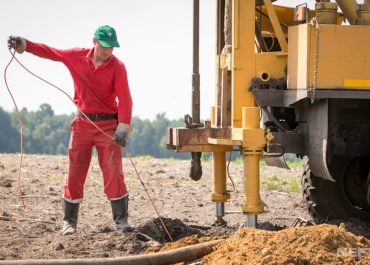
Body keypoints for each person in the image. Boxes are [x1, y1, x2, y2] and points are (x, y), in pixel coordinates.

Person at [8, 25, 133, 235]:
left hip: (108, 125)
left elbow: (126, 99)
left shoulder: (118, 67)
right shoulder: (76, 56)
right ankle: (69, 222)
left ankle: (121, 221)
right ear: (94, 41)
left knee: (113, 171)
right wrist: (25, 45)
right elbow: (50, 52)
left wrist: (123, 128)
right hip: (82, 123)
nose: (109, 51)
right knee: (75, 172)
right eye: (104, 47)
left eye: (112, 47)